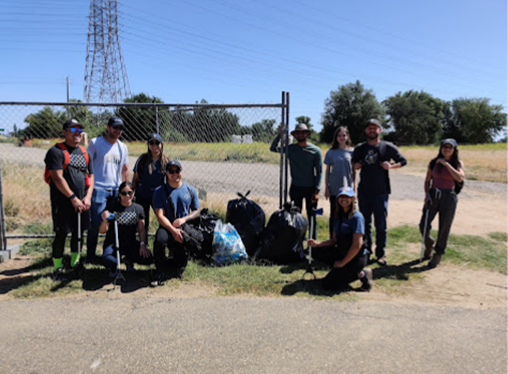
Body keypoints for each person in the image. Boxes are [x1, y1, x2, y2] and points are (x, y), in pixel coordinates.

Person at [352, 119, 407, 266]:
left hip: (381, 192)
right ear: (365, 131)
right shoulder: (360, 148)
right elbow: (353, 162)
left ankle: (380, 254)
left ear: (379, 130)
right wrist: (355, 165)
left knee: (381, 225)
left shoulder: (387, 146)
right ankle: (366, 251)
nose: (371, 130)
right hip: (364, 192)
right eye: (369, 128)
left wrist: (391, 166)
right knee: (365, 224)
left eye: (374, 128)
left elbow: (403, 161)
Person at [44, 119, 94, 281]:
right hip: (63, 202)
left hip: (82, 201)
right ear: (64, 132)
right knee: (61, 233)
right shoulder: (56, 151)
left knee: (79, 233)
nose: (77, 132)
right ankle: (57, 267)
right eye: (73, 129)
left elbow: (91, 177)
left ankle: (75, 262)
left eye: (80, 129)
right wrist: (72, 198)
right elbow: (57, 178)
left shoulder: (84, 153)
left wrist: (87, 197)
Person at [308, 186, 372, 291]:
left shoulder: (357, 217)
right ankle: (340, 272)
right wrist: (317, 244)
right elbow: (334, 241)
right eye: (341, 196)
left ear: (352, 199)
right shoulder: (338, 216)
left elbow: (357, 245)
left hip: (356, 257)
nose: (344, 199)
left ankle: (361, 274)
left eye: (347, 197)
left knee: (328, 285)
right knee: (315, 251)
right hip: (342, 252)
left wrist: (342, 263)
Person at [86, 116, 130, 264]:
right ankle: (90, 256)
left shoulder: (122, 147)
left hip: (116, 190)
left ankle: (113, 254)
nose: (117, 130)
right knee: (96, 224)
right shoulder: (95, 143)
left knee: (115, 223)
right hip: (98, 188)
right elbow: (87, 166)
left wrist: (126, 190)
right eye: (115, 127)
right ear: (108, 127)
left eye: (120, 128)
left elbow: (125, 169)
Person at [151, 160, 200, 286]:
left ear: (181, 172)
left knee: (180, 264)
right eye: (171, 171)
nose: (174, 174)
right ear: (166, 173)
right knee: (160, 240)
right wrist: (173, 231)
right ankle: (160, 270)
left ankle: (175, 259)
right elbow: (160, 216)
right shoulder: (159, 191)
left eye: (177, 171)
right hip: (167, 226)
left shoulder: (190, 190)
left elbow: (197, 211)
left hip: (182, 226)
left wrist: (184, 219)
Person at [270, 123, 322, 237]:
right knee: (295, 215)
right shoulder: (291, 149)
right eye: (297, 133)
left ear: (307, 134)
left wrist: (317, 191)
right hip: (296, 187)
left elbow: (319, 172)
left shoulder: (315, 151)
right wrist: (279, 135)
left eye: (303, 132)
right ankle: (298, 240)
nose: (300, 135)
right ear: (295, 135)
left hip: (311, 188)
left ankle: (312, 241)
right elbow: (273, 148)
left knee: (311, 215)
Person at [420, 139, 465, 269]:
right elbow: (427, 180)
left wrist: (446, 165)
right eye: (444, 147)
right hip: (434, 194)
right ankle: (429, 244)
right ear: (441, 148)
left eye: (450, 147)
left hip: (449, 197)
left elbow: (460, 177)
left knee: (444, 227)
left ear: (454, 149)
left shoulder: (457, 163)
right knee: (423, 224)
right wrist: (427, 194)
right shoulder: (433, 162)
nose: (447, 149)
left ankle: (438, 254)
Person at [99, 182, 152, 278]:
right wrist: (104, 220)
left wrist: (142, 244)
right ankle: (114, 267)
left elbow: (142, 229)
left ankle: (129, 260)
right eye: (124, 193)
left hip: (130, 243)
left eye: (130, 193)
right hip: (114, 243)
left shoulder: (138, 208)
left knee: (148, 259)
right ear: (119, 194)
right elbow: (102, 231)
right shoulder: (112, 206)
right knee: (108, 260)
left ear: (134, 193)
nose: (127, 196)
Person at [132, 133, 169, 233]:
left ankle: (163, 240)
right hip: (143, 194)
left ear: (161, 144)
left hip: (158, 195)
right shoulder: (143, 159)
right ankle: (143, 244)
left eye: (157, 142)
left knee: (163, 219)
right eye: (151, 143)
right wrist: (132, 194)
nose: (154, 145)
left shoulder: (166, 161)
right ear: (148, 145)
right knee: (143, 221)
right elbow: (135, 178)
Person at [324, 126, 354, 237]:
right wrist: (327, 187)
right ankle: (332, 239)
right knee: (334, 214)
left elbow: (354, 171)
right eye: (339, 135)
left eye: (344, 135)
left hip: (348, 188)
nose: (342, 137)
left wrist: (354, 187)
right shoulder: (331, 152)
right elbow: (327, 171)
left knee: (347, 214)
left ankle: (345, 239)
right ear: (336, 137)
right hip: (335, 188)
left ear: (348, 136)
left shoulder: (352, 152)